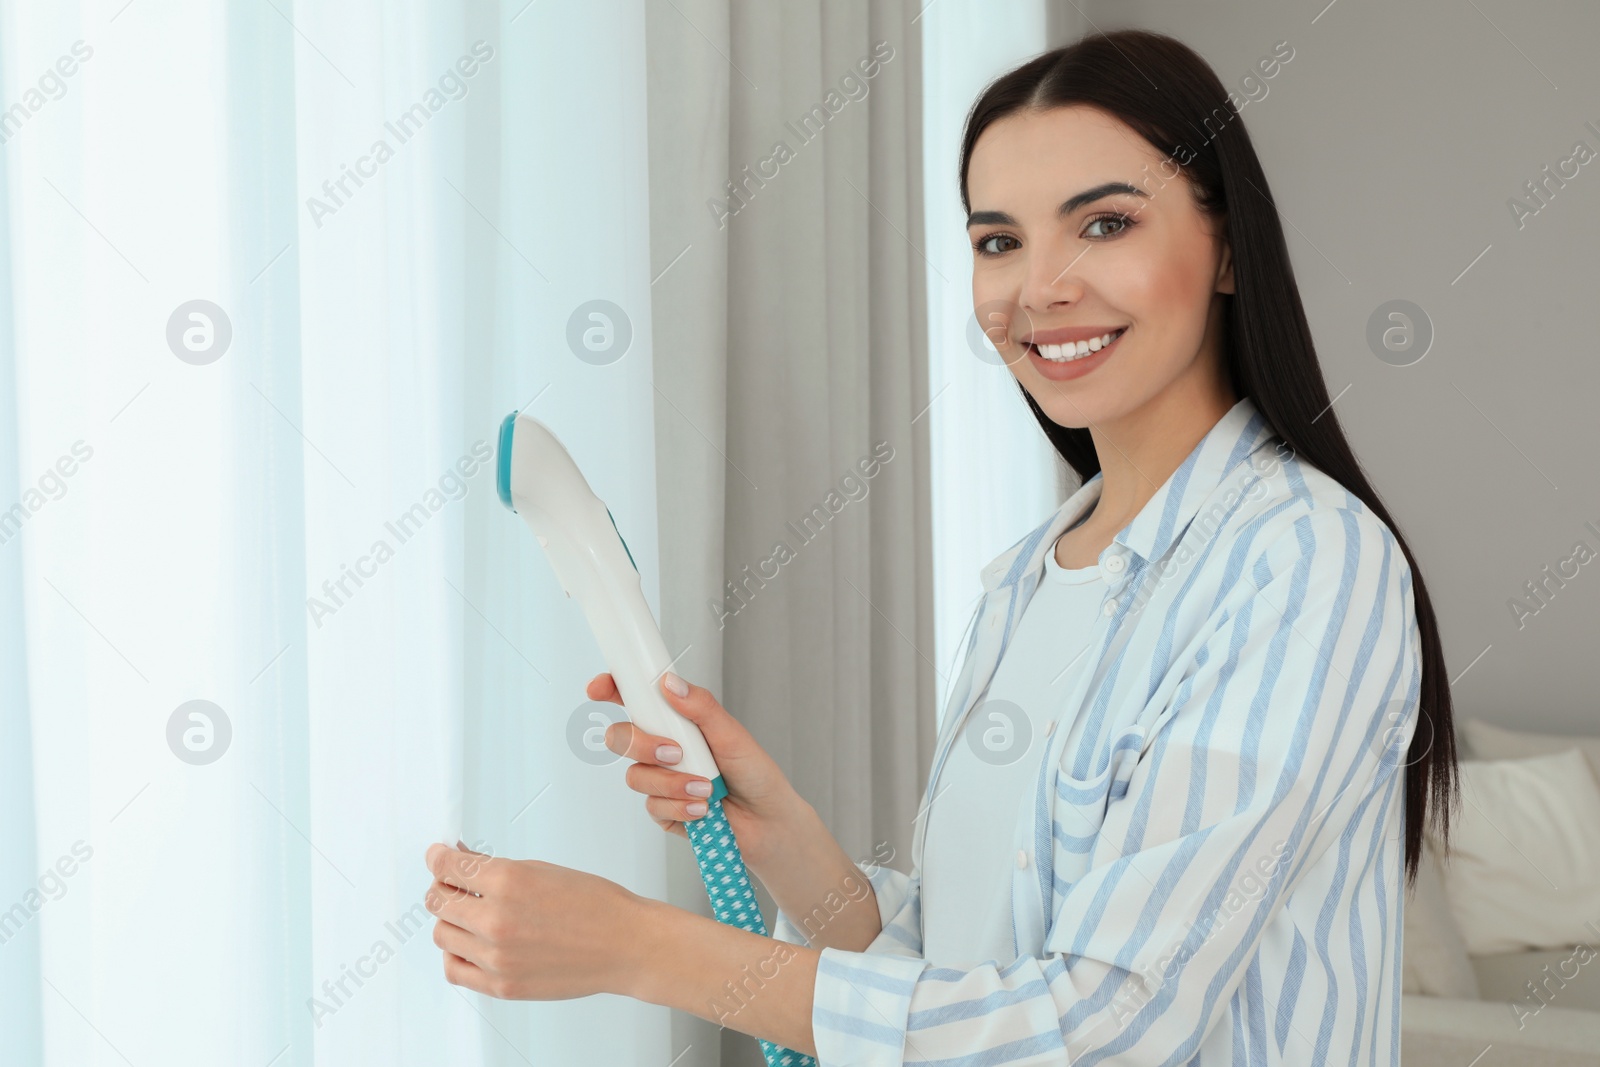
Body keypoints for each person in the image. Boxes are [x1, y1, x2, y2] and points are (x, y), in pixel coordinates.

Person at [421, 28, 1459, 1065]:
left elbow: (1112, 1021)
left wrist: (643, 949)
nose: (1040, 287)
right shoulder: (1031, 573)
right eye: (998, 241)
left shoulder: (1304, 561)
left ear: (1226, 247)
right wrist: (780, 836)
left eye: (1103, 223)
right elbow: (960, 975)